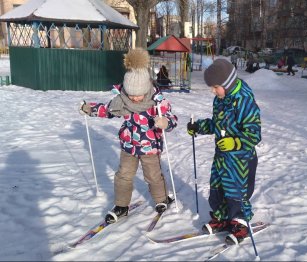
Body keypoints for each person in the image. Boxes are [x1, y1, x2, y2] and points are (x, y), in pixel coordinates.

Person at [80, 48, 178, 224]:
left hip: (150, 147)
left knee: (153, 176)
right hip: (129, 146)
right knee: (123, 175)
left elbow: (172, 118)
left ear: (146, 89)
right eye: (131, 95)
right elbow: (108, 110)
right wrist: (91, 109)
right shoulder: (122, 100)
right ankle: (121, 205)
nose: (134, 99)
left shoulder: (157, 101)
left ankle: (162, 199)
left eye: (138, 95)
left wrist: (165, 122)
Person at [187, 59, 261, 244]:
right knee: (218, 187)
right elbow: (216, 124)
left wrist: (235, 142)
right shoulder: (220, 99)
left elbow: (254, 133)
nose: (213, 91)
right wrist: (199, 127)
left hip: (241, 159)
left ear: (227, 84)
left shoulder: (244, 100)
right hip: (222, 157)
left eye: (215, 87)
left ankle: (240, 222)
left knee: (236, 191)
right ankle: (222, 218)